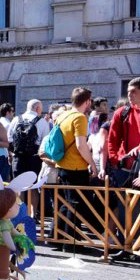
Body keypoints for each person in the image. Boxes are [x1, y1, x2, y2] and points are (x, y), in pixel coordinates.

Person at [46, 88, 97, 248]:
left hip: (62, 165)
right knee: (75, 204)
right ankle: (70, 242)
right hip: (76, 167)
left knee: (65, 203)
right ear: (87, 101)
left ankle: (55, 237)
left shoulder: (63, 116)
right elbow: (81, 145)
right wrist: (92, 164)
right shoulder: (80, 118)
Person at [9, 99, 50, 215]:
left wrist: (12, 154)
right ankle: (33, 215)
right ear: (37, 108)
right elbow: (45, 142)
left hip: (18, 158)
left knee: (19, 186)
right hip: (34, 158)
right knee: (33, 186)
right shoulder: (41, 121)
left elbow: (9, 139)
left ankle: (20, 214)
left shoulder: (16, 119)